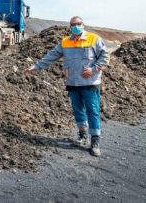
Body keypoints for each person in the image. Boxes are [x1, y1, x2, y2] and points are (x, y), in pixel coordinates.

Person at [26, 16, 109, 157]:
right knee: (78, 111)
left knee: (93, 110)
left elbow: (104, 57)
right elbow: (52, 55)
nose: (76, 26)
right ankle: (82, 135)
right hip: (73, 82)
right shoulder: (65, 42)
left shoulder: (93, 39)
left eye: (78, 24)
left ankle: (95, 141)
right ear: (69, 27)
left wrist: (94, 69)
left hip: (90, 83)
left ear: (83, 24)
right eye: (73, 24)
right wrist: (37, 66)